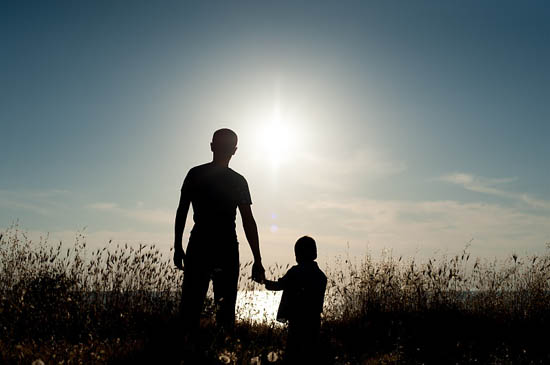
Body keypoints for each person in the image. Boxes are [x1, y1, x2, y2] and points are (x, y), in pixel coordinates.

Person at [173, 128, 265, 334]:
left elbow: (182, 211)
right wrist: (257, 259)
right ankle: (223, 352)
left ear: (212, 146)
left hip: (201, 245)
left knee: (191, 306)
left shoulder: (196, 174)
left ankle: (188, 352)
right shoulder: (237, 181)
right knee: (223, 310)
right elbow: (248, 221)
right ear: (235, 150)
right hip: (225, 247)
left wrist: (178, 246)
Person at [263, 236, 327, 364]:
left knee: (293, 353)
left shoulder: (295, 272)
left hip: (297, 320)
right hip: (314, 320)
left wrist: (264, 282)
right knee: (311, 352)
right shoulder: (321, 276)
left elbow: (279, 286)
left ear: (299, 254)